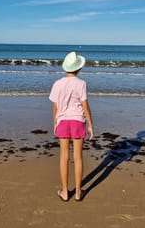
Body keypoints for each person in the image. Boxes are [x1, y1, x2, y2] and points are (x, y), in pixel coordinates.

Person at [49, 51, 94, 202]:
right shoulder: (81, 84)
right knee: (78, 157)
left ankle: (64, 191)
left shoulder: (57, 83)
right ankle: (78, 192)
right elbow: (85, 106)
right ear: (78, 68)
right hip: (77, 121)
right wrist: (90, 125)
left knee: (64, 157)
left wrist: (55, 122)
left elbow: (55, 107)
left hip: (63, 121)